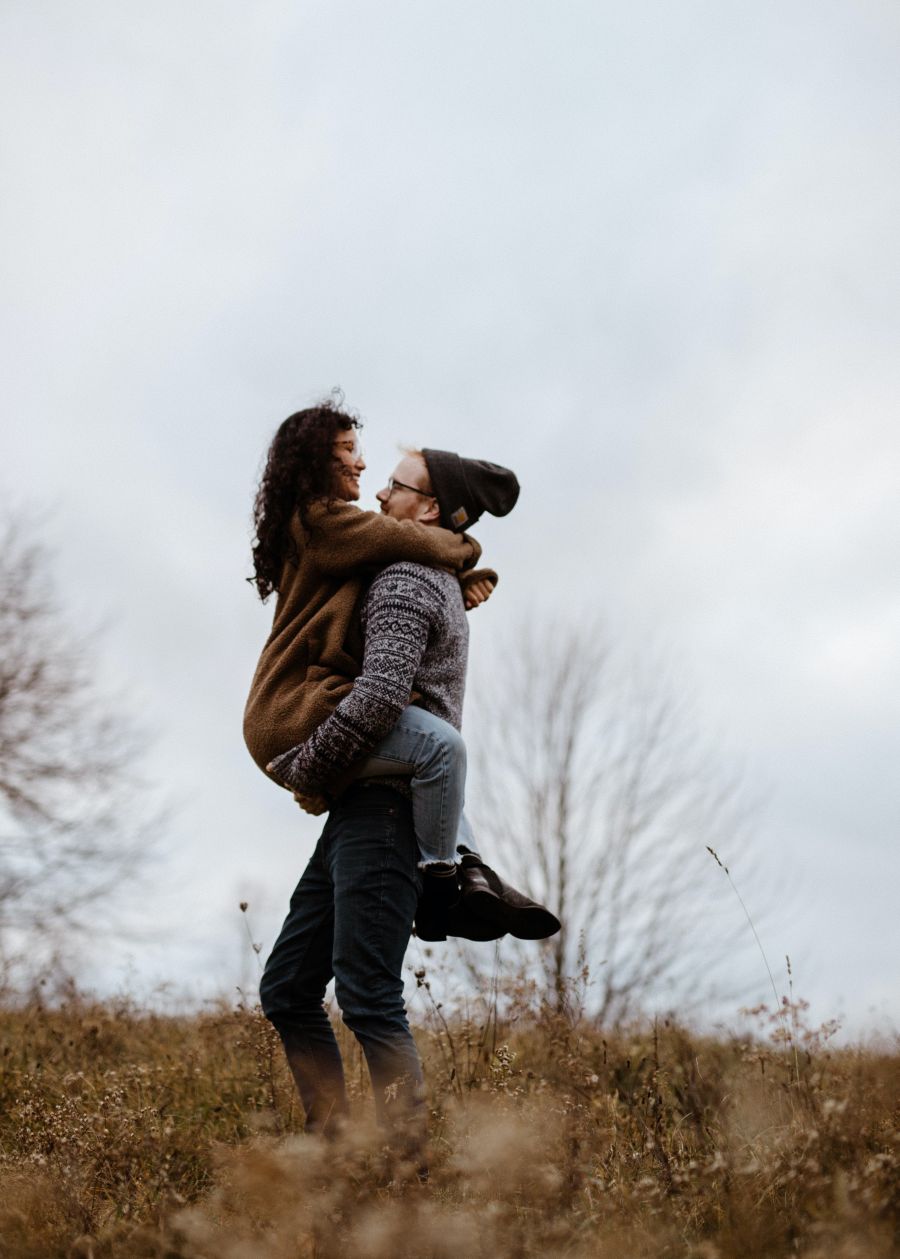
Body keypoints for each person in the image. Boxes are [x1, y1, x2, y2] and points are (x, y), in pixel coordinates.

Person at [257, 442, 560, 1150]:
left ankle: (402, 1166)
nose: (378, 496)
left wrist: (311, 766)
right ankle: (334, 1144)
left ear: (428, 509)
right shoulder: (421, 572)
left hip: (386, 809)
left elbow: (385, 693)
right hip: (364, 808)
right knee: (288, 989)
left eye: (395, 486)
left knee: (367, 994)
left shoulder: (403, 577)